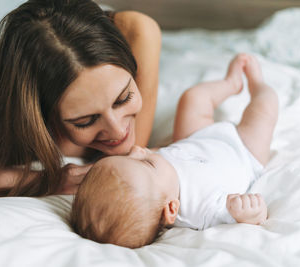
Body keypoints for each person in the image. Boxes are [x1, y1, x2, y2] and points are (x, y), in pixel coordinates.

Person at [0, 0, 161, 205]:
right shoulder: (22, 125)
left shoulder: (138, 32)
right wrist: (40, 182)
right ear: (43, 115)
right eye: (85, 120)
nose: (117, 130)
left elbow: (131, 158)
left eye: (124, 98)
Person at [71, 54, 279, 248]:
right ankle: (258, 84)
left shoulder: (150, 179)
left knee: (192, 98)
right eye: (145, 162)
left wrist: (151, 159)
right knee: (266, 107)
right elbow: (252, 216)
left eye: (128, 157)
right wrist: (248, 212)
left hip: (193, 139)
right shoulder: (200, 211)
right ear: (171, 209)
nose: (138, 150)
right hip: (242, 152)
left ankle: (230, 83)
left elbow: (144, 160)